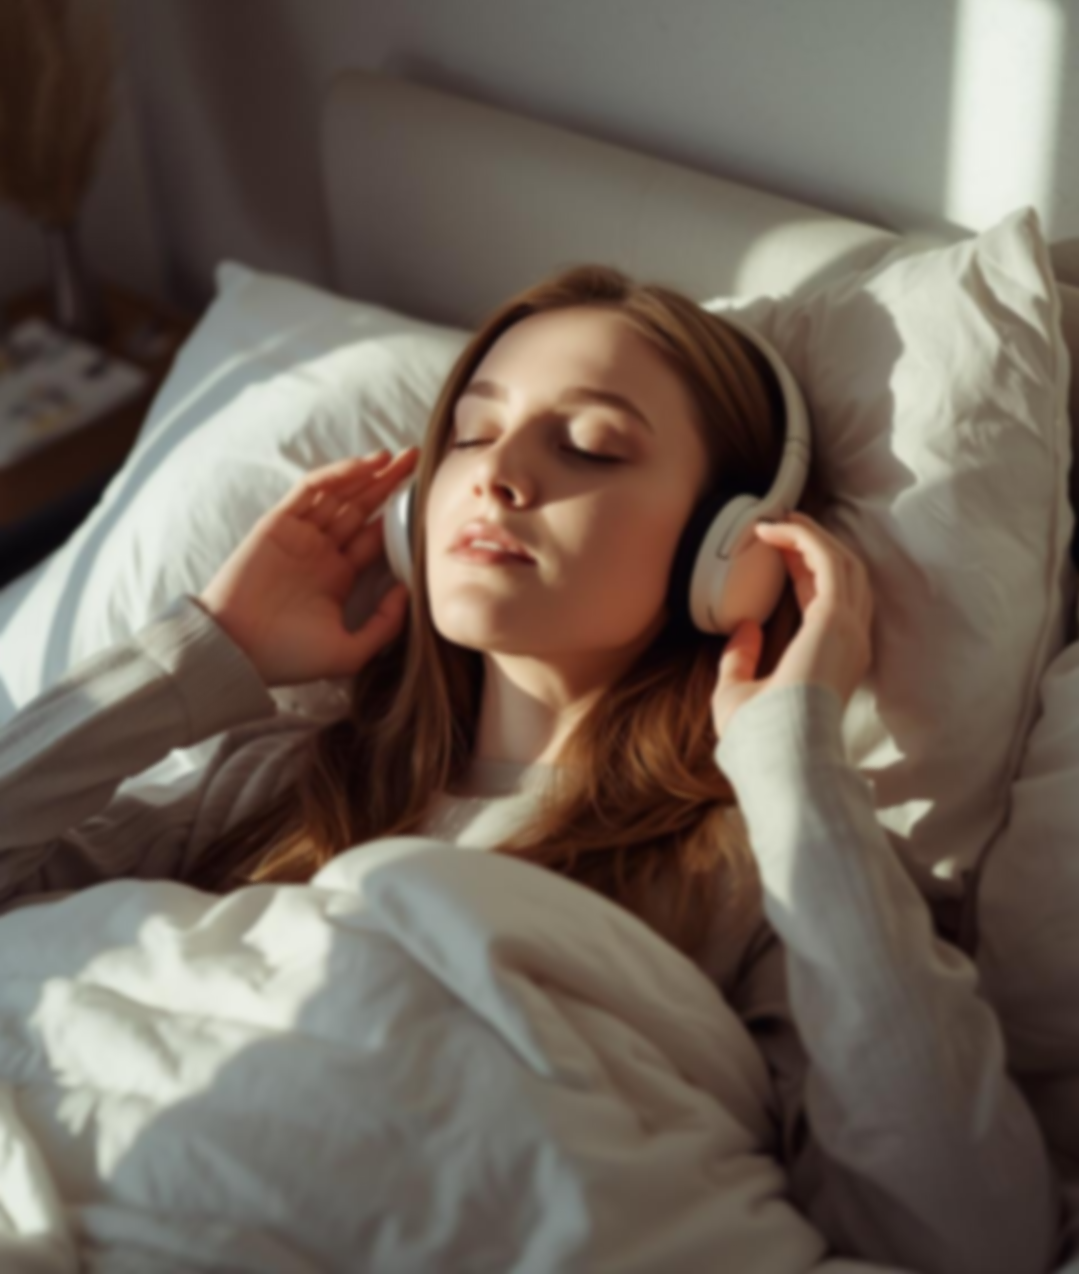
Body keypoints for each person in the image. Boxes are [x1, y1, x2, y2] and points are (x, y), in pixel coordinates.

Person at [0, 264, 1062, 1274]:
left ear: (727, 548)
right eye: (470, 434)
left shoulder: (766, 867)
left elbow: (964, 1233)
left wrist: (798, 766)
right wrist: (205, 652)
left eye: (592, 446)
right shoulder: (278, 781)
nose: (496, 475)